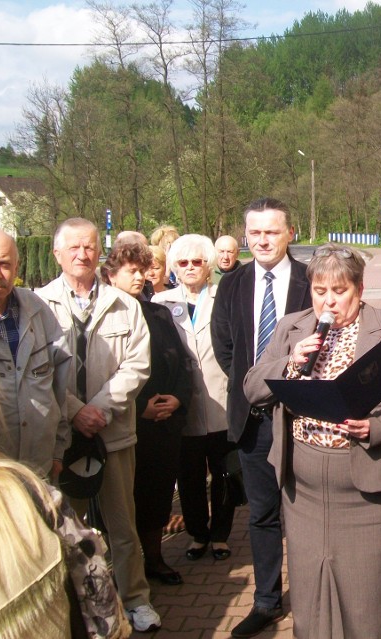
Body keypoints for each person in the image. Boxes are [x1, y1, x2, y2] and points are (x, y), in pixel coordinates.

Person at [245, 244, 381, 639]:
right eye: (319, 291)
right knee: (312, 594)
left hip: (367, 490)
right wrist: (291, 363)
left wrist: (376, 426)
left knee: (369, 595)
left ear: (359, 289)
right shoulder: (292, 328)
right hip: (304, 492)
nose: (328, 301)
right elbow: (253, 389)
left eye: (339, 291)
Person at [37, 217, 160, 633]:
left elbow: (138, 365)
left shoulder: (126, 305)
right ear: (57, 254)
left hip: (114, 432)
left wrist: (100, 409)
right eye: (72, 247)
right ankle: (74, 606)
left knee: (123, 524)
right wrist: (74, 411)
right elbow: (38, 370)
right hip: (60, 435)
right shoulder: (38, 305)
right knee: (64, 526)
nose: (81, 253)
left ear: (98, 253)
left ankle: (136, 600)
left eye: (89, 246)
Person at [211, 197, 311, 637]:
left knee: (307, 515)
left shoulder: (312, 281)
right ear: (245, 234)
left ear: (290, 233)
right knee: (262, 515)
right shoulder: (232, 284)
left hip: (305, 420)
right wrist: (255, 385)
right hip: (253, 420)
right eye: (255, 232)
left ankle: (313, 599)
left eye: (272, 231)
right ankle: (267, 601)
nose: (263, 240)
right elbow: (225, 347)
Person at [0, 319, 72, 637]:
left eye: (4, 263)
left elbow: (58, 388)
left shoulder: (38, 503)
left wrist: (59, 444)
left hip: (33, 465)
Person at [101, 242, 192, 587]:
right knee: (123, 500)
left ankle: (154, 558)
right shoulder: (104, 316)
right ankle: (123, 569)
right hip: (124, 421)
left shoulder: (158, 313)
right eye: (131, 271)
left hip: (164, 424)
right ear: (111, 275)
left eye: (143, 270)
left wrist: (177, 400)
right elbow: (102, 376)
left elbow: (182, 363)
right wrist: (140, 408)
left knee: (156, 494)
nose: (140, 277)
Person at [0, 227, 71, 480]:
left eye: (4, 264)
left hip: (38, 468)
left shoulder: (37, 310)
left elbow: (61, 388)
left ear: (17, 266)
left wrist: (57, 451)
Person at [152, 234, 234, 563]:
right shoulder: (161, 305)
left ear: (208, 265)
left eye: (196, 262)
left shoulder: (223, 299)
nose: (190, 268)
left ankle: (221, 535)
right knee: (189, 476)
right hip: (182, 406)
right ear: (173, 267)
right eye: (182, 263)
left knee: (224, 472)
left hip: (222, 401)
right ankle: (198, 533)